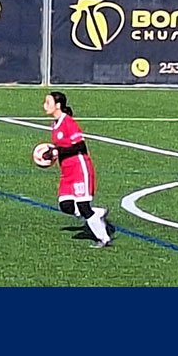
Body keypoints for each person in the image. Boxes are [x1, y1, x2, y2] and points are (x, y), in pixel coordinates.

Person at [42, 91, 112, 249]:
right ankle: (96, 213)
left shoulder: (68, 122)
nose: (44, 106)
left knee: (83, 206)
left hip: (79, 169)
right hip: (66, 172)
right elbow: (62, 147)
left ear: (58, 105)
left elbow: (80, 146)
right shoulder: (55, 125)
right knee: (65, 205)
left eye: (48, 102)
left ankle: (103, 238)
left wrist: (57, 151)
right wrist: (51, 154)